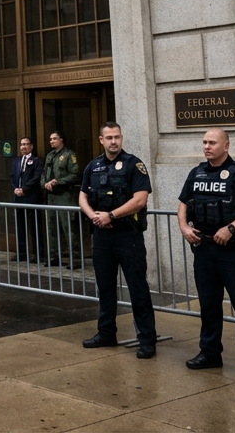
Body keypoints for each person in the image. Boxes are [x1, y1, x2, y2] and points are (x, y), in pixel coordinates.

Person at [177, 129, 235, 381]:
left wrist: (231, 228)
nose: (207, 146)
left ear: (226, 145)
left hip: (234, 252)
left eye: (212, 142)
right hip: (204, 249)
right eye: (204, 142)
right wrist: (184, 227)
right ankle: (209, 353)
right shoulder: (196, 173)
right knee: (208, 305)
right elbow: (183, 203)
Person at [80, 122, 156, 357]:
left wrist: (111, 215)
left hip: (128, 236)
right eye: (109, 137)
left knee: (138, 289)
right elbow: (82, 197)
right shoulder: (93, 166)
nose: (114, 141)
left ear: (122, 138)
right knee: (105, 288)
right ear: (101, 140)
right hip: (102, 237)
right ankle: (106, 333)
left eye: (117, 137)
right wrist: (94, 216)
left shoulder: (135, 164)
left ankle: (147, 340)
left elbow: (140, 200)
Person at [41, 131, 81, 267]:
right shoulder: (50, 156)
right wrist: (45, 184)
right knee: (51, 227)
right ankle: (54, 256)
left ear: (61, 140)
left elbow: (74, 174)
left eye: (54, 139)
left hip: (65, 196)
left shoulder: (69, 155)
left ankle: (74, 259)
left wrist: (58, 181)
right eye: (50, 139)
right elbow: (44, 173)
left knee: (68, 228)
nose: (51, 141)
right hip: (51, 196)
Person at [11, 137, 43, 263]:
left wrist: (24, 189)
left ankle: (38, 254)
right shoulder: (16, 161)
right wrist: (15, 189)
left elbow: (36, 177)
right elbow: (12, 176)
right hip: (18, 198)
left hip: (32, 197)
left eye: (26, 144)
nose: (23, 147)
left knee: (35, 227)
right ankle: (22, 253)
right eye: (22, 144)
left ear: (31, 146)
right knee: (20, 227)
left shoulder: (36, 161)